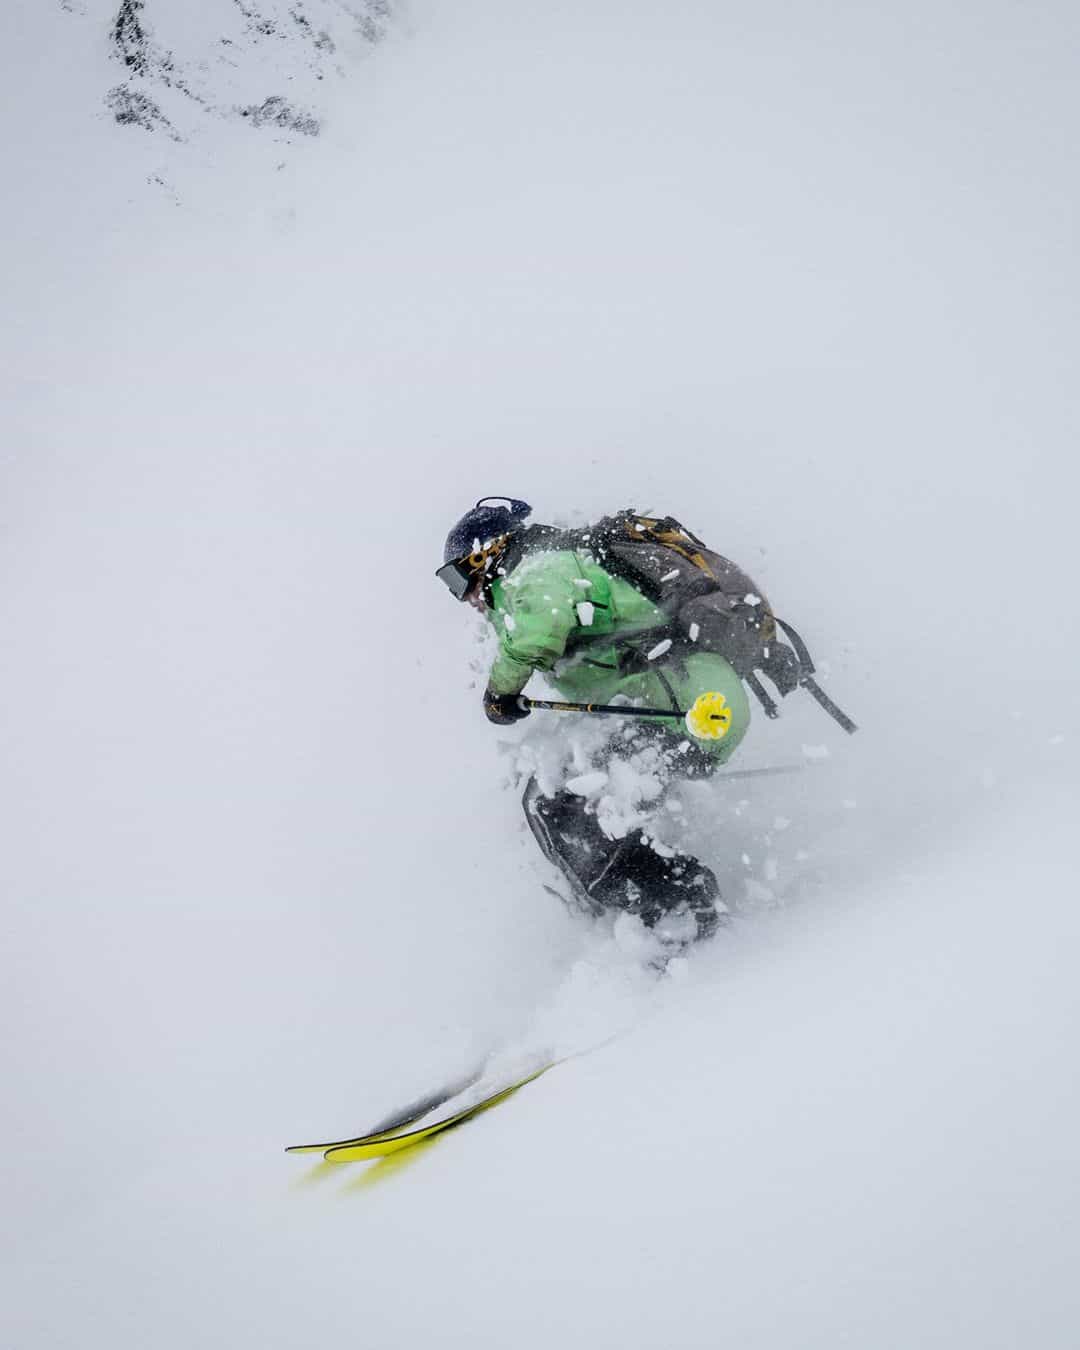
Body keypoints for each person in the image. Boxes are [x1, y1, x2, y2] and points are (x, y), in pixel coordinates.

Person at [435, 496, 811, 947]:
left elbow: (539, 629)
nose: (464, 597)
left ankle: (686, 915)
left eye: (459, 578)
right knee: (547, 800)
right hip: (681, 705)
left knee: (565, 804)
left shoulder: (539, 567)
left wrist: (500, 692)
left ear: (488, 553)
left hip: (693, 707)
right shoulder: (553, 568)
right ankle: (638, 913)